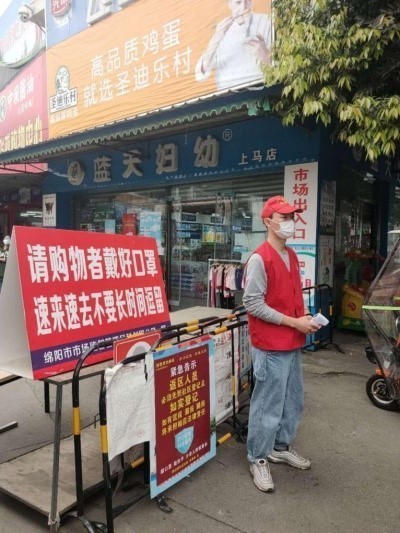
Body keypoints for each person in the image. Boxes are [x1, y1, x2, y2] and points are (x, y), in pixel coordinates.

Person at [243, 196, 320, 492]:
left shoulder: (291, 255)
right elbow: (253, 304)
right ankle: (258, 457)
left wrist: (305, 316)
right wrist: (293, 322)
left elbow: (294, 294)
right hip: (270, 345)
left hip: (292, 341)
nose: (290, 222)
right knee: (267, 405)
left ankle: (280, 447)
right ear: (268, 222)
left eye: (291, 217)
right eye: (283, 217)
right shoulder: (259, 259)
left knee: (292, 400)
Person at [195, 0, 272, 91]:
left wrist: (266, 56)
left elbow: (280, 68)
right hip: (227, 95)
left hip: (262, 92)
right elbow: (200, 74)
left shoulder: (266, 21)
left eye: (247, 1)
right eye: (238, 2)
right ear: (230, 4)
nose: (243, 7)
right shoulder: (221, 30)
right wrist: (215, 39)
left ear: (251, 2)